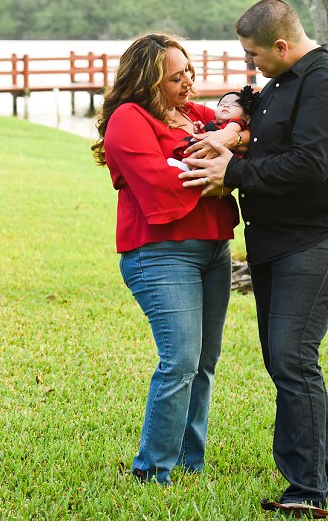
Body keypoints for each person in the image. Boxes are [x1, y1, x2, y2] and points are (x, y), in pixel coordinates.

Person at [180, 0, 328, 519]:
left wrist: (232, 175)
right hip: (275, 240)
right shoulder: (284, 81)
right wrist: (233, 117)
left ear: (281, 46)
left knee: (291, 358)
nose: (249, 65)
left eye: (253, 55)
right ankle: (323, 465)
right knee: (286, 357)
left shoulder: (327, 83)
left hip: (320, 238)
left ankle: (307, 490)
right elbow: (260, 122)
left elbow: (310, 164)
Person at [93, 33, 240, 485]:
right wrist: (221, 166)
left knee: (204, 362)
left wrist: (229, 137)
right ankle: (153, 470)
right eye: (176, 78)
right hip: (159, 254)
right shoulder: (128, 120)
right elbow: (161, 185)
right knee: (179, 360)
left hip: (214, 250)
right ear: (147, 81)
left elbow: (242, 126)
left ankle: (189, 462)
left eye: (189, 72)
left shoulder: (192, 115)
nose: (189, 83)